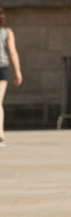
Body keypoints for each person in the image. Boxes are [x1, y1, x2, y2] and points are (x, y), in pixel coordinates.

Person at [0, 8, 23, 147]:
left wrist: (18, 71)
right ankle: (0, 133)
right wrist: (17, 71)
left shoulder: (7, 32)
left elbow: (13, 52)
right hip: (2, 68)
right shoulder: (7, 33)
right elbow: (13, 53)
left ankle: (0, 133)